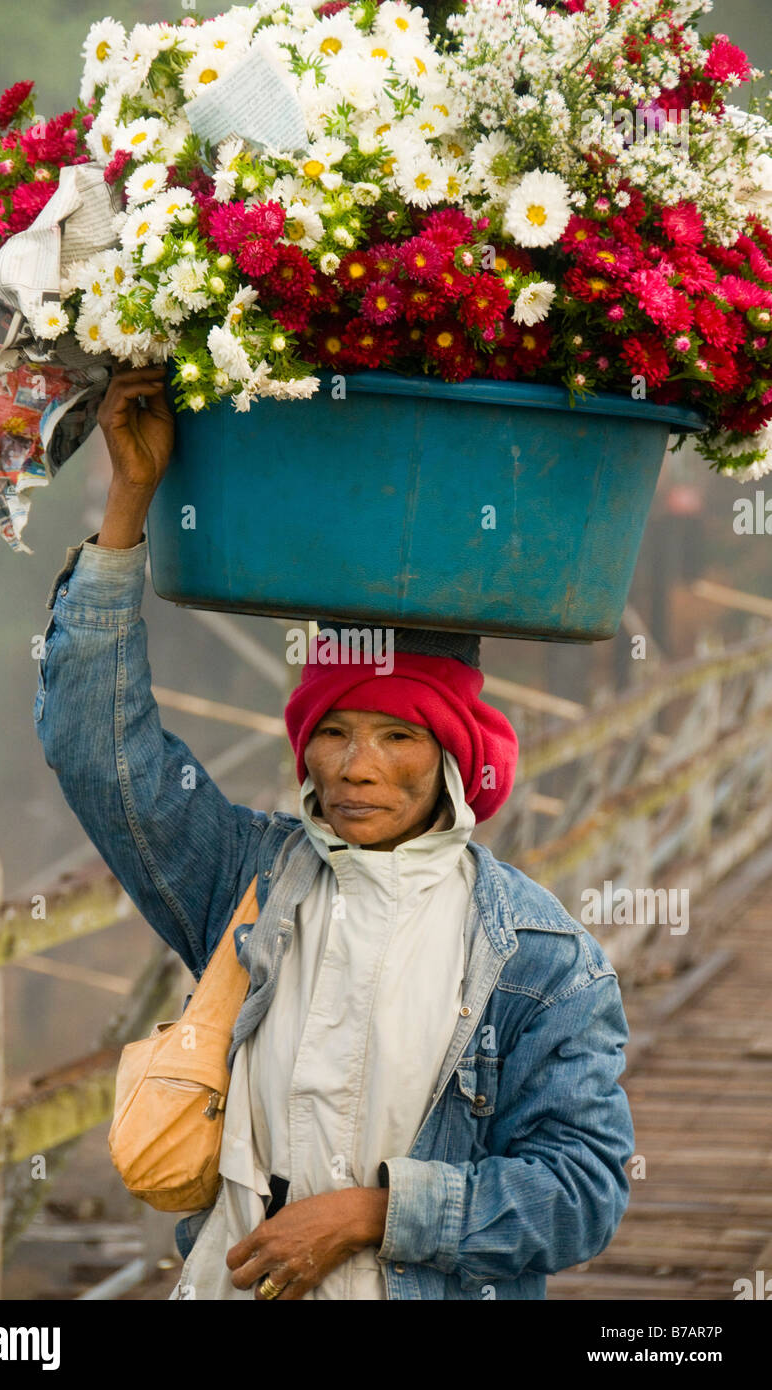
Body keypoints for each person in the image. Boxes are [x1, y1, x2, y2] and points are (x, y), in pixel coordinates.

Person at [34, 365, 634, 1301]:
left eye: (398, 737)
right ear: (303, 748)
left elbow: (581, 1193)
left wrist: (374, 1216)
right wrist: (130, 503)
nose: (357, 768)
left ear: (453, 760)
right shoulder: (247, 882)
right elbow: (96, 754)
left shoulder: (540, 957)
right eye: (335, 734)